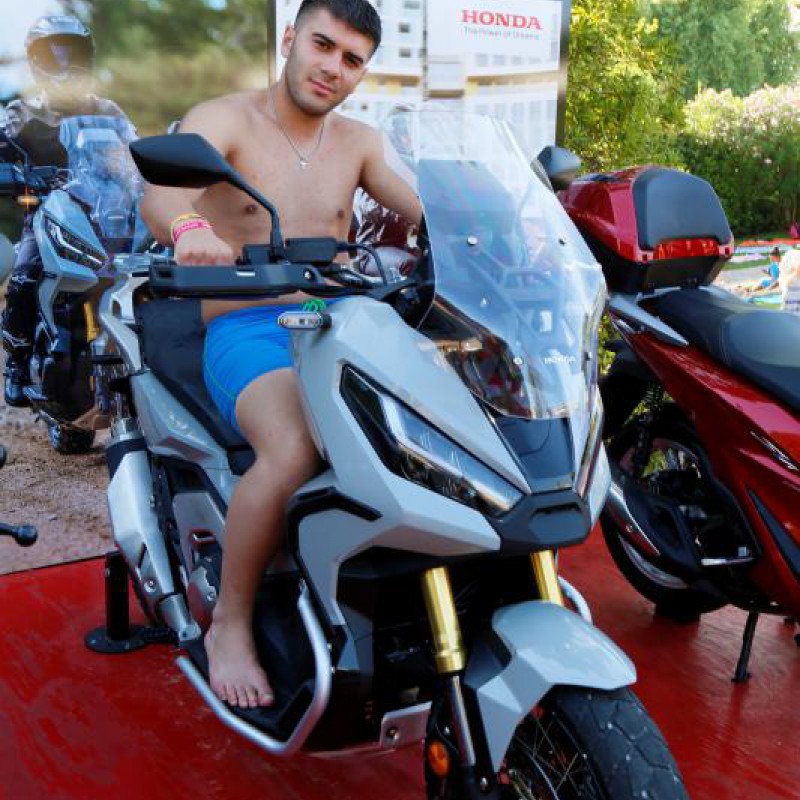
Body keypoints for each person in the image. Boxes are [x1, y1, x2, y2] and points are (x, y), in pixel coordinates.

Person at [140, 0, 421, 710]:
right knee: (293, 447)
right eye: (322, 45)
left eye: (352, 59)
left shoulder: (359, 142)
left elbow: (428, 208)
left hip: (344, 324)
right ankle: (230, 625)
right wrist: (191, 229)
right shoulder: (227, 120)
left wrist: (505, 232)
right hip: (250, 326)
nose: (333, 67)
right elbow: (161, 196)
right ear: (291, 38)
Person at [0, 15, 126, 407]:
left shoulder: (108, 110)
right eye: (53, 54)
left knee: (143, 274)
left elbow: (135, 154)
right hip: (45, 217)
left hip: (105, 216)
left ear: (86, 57)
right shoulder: (21, 112)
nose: (64, 62)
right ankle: (17, 362)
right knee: (24, 274)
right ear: (35, 60)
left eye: (71, 52)